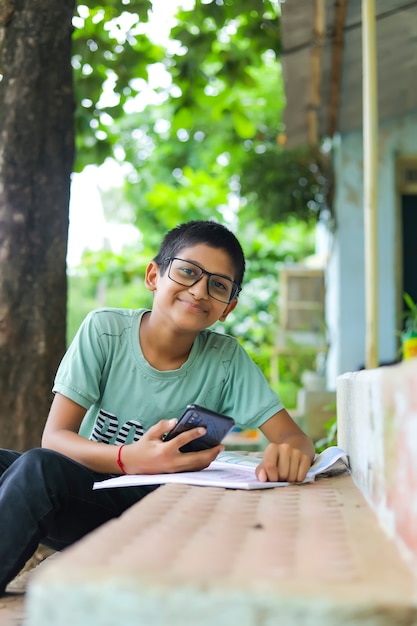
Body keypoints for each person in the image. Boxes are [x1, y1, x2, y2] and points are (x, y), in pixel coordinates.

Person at [0, 220, 315, 593]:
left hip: (157, 512)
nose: (199, 291)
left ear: (228, 307)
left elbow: (294, 438)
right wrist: (129, 458)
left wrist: (290, 453)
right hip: (89, 491)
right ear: (154, 275)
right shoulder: (105, 332)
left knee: (38, 468)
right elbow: (55, 438)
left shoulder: (226, 359)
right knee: (22, 463)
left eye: (218, 285)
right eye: (187, 272)